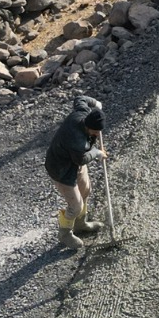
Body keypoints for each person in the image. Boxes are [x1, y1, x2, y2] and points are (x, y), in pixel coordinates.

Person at [44, 96, 107, 252]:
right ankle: (64, 233)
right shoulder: (76, 140)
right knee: (75, 205)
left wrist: (95, 104)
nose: (98, 134)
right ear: (89, 128)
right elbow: (81, 159)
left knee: (86, 190)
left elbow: (80, 98)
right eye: (96, 131)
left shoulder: (83, 112)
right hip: (61, 170)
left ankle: (80, 224)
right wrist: (97, 152)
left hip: (74, 162)